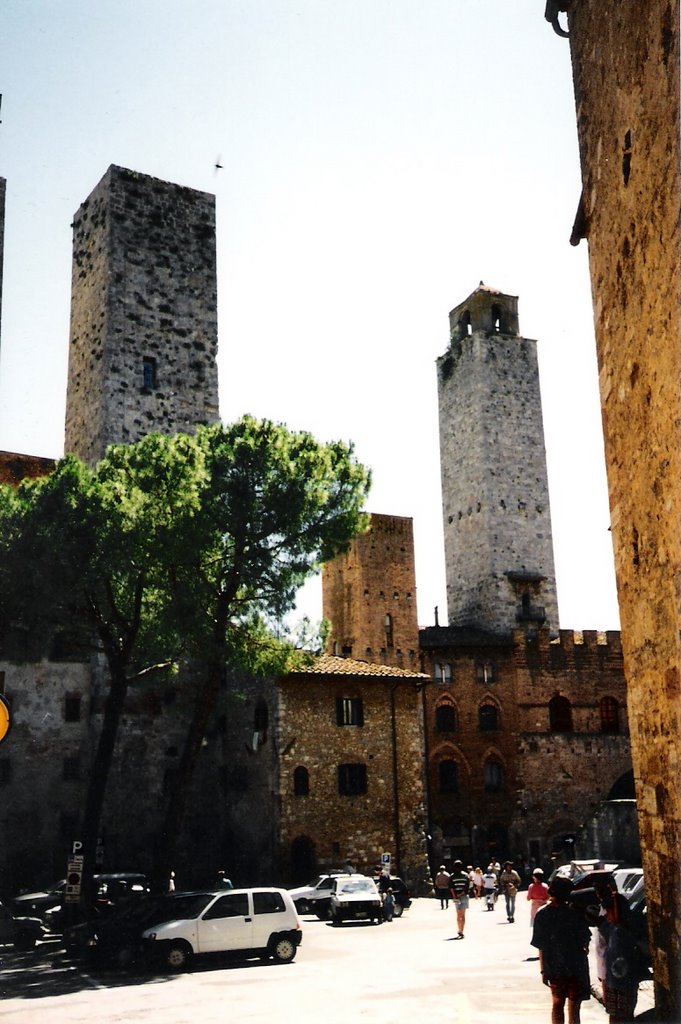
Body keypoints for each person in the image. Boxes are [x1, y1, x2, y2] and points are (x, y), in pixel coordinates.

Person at [531, 876, 591, 1024]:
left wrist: (544, 970)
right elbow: (586, 941)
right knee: (574, 1006)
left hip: (554, 966)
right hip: (576, 966)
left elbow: (541, 946)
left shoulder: (542, 914)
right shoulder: (575, 912)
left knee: (557, 1004)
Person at [592, 877, 642, 1023]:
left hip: (622, 982)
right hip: (614, 982)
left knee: (623, 1015)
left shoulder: (622, 932)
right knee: (617, 1015)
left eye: (609, 912)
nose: (607, 915)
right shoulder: (610, 927)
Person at [448, 859, 470, 938]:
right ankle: (461, 930)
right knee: (463, 915)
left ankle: (459, 929)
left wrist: (455, 896)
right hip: (463, 896)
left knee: (458, 914)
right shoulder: (465, 875)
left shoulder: (452, 876)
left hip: (456, 896)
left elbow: (451, 888)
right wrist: (461, 894)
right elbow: (467, 888)